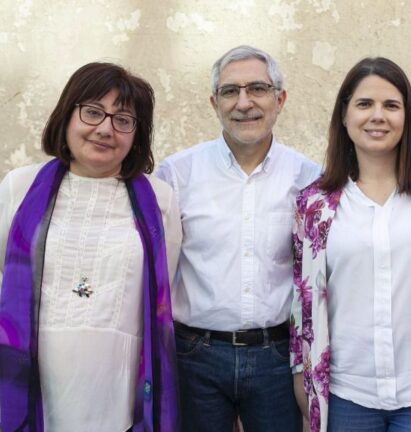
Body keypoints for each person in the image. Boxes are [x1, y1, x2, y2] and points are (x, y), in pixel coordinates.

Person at [0, 62, 181, 431]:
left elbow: (159, 288)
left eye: (123, 119)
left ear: (137, 134)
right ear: (67, 115)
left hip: (116, 394)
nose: (105, 129)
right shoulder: (18, 188)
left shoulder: (161, 201)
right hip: (32, 382)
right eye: (92, 112)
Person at [291, 57, 411, 432]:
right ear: (344, 115)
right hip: (347, 397)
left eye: (391, 105)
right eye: (364, 104)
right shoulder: (314, 204)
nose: (378, 116)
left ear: (407, 116)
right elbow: (302, 299)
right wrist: (301, 375)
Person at [156, 45, 321, 431]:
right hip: (194, 355)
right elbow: (155, 268)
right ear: (214, 103)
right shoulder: (177, 174)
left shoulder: (309, 178)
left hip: (277, 357)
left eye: (257, 89)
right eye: (230, 92)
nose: (244, 103)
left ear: (279, 99)